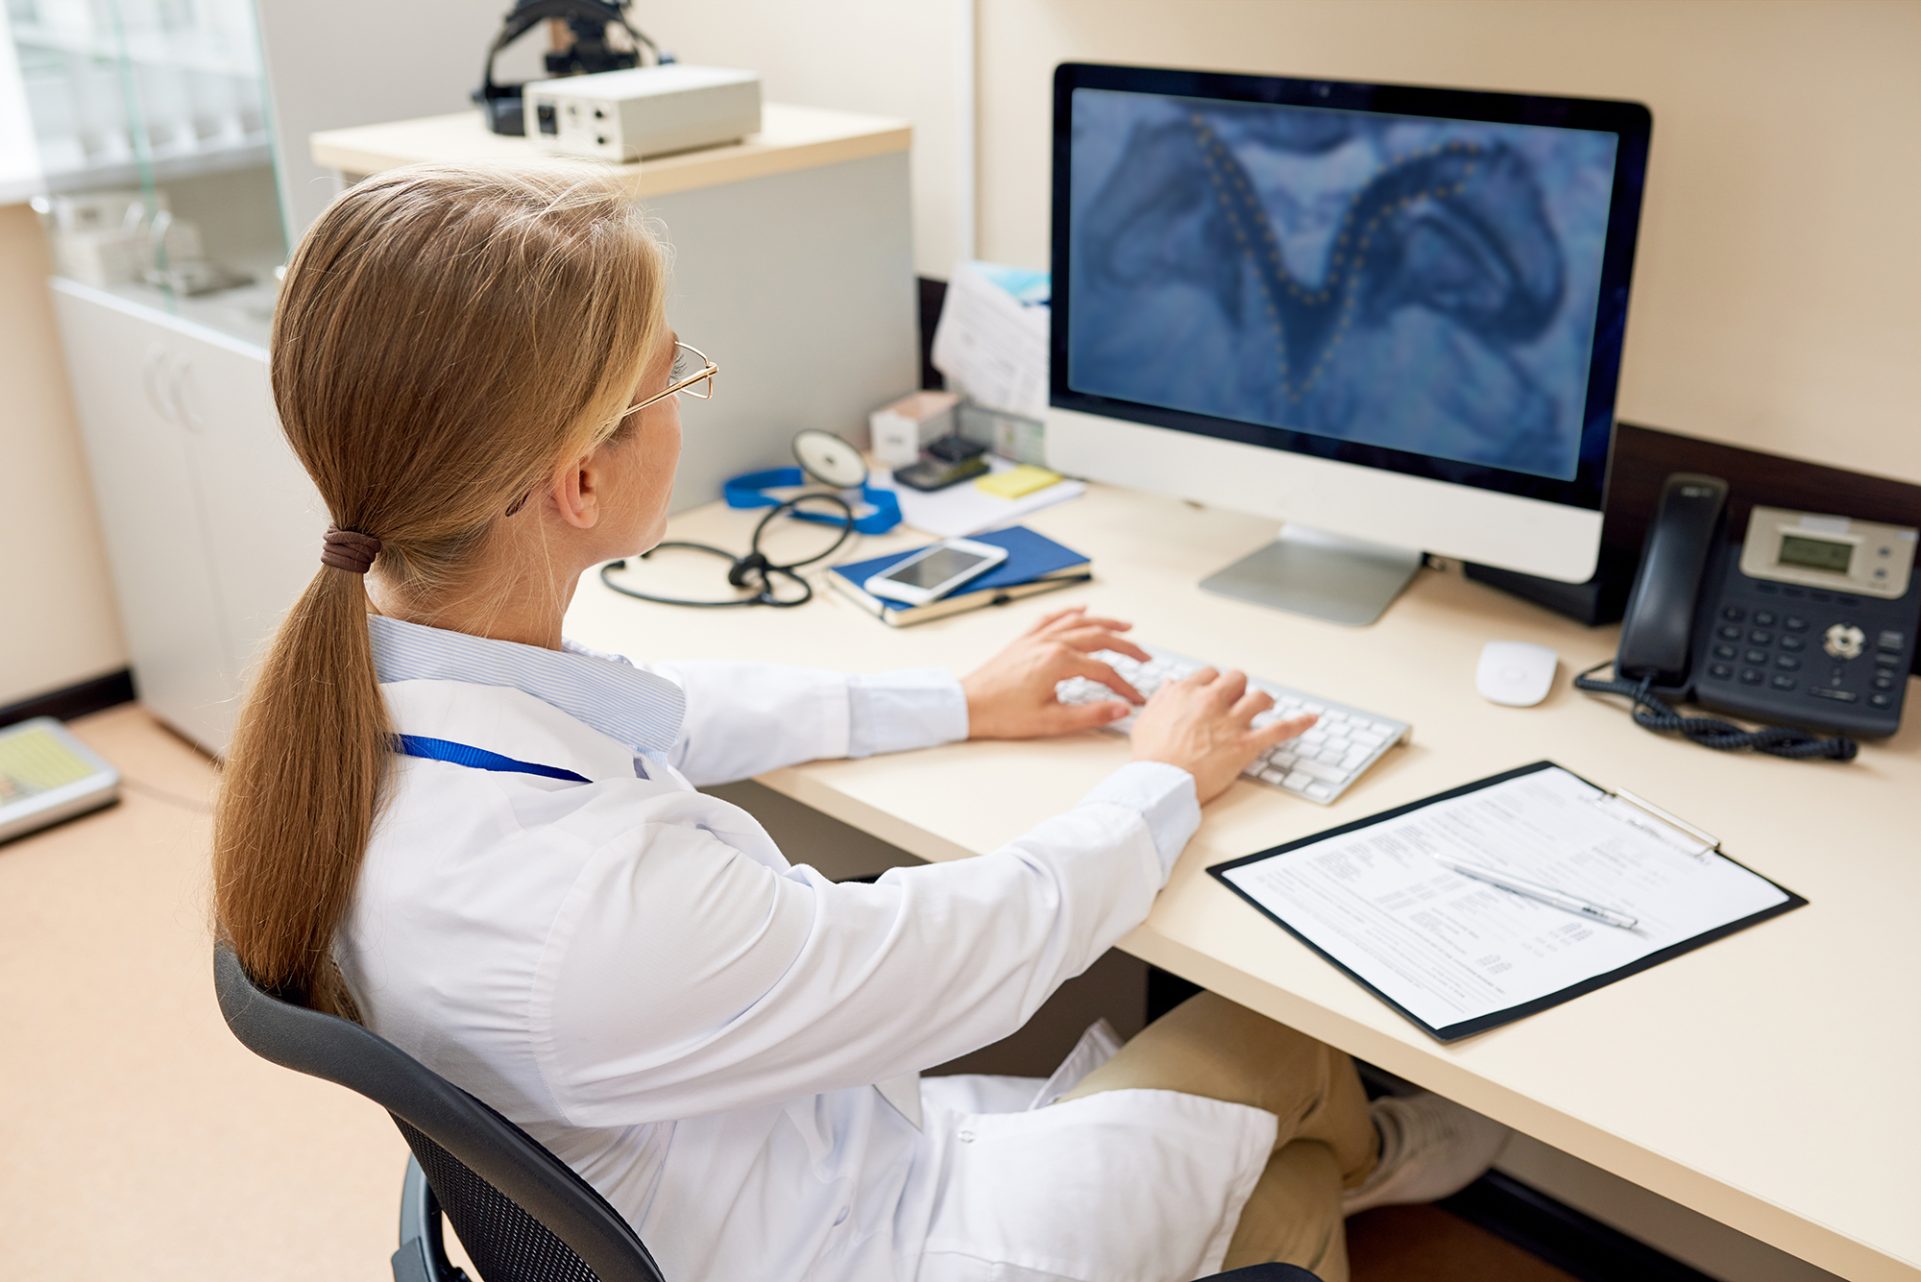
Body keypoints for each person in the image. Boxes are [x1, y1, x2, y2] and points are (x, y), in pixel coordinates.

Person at [212, 162, 1505, 1282]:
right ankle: (1356, 1166)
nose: (688, 398)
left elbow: (666, 710)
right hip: (858, 1238)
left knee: (1267, 1122)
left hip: (767, 1173)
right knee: (1278, 1094)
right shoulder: (584, 910)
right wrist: (1161, 777)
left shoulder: (382, 700)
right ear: (583, 478)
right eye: (676, 378)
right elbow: (954, 951)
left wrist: (957, 698)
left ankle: (1360, 1157)